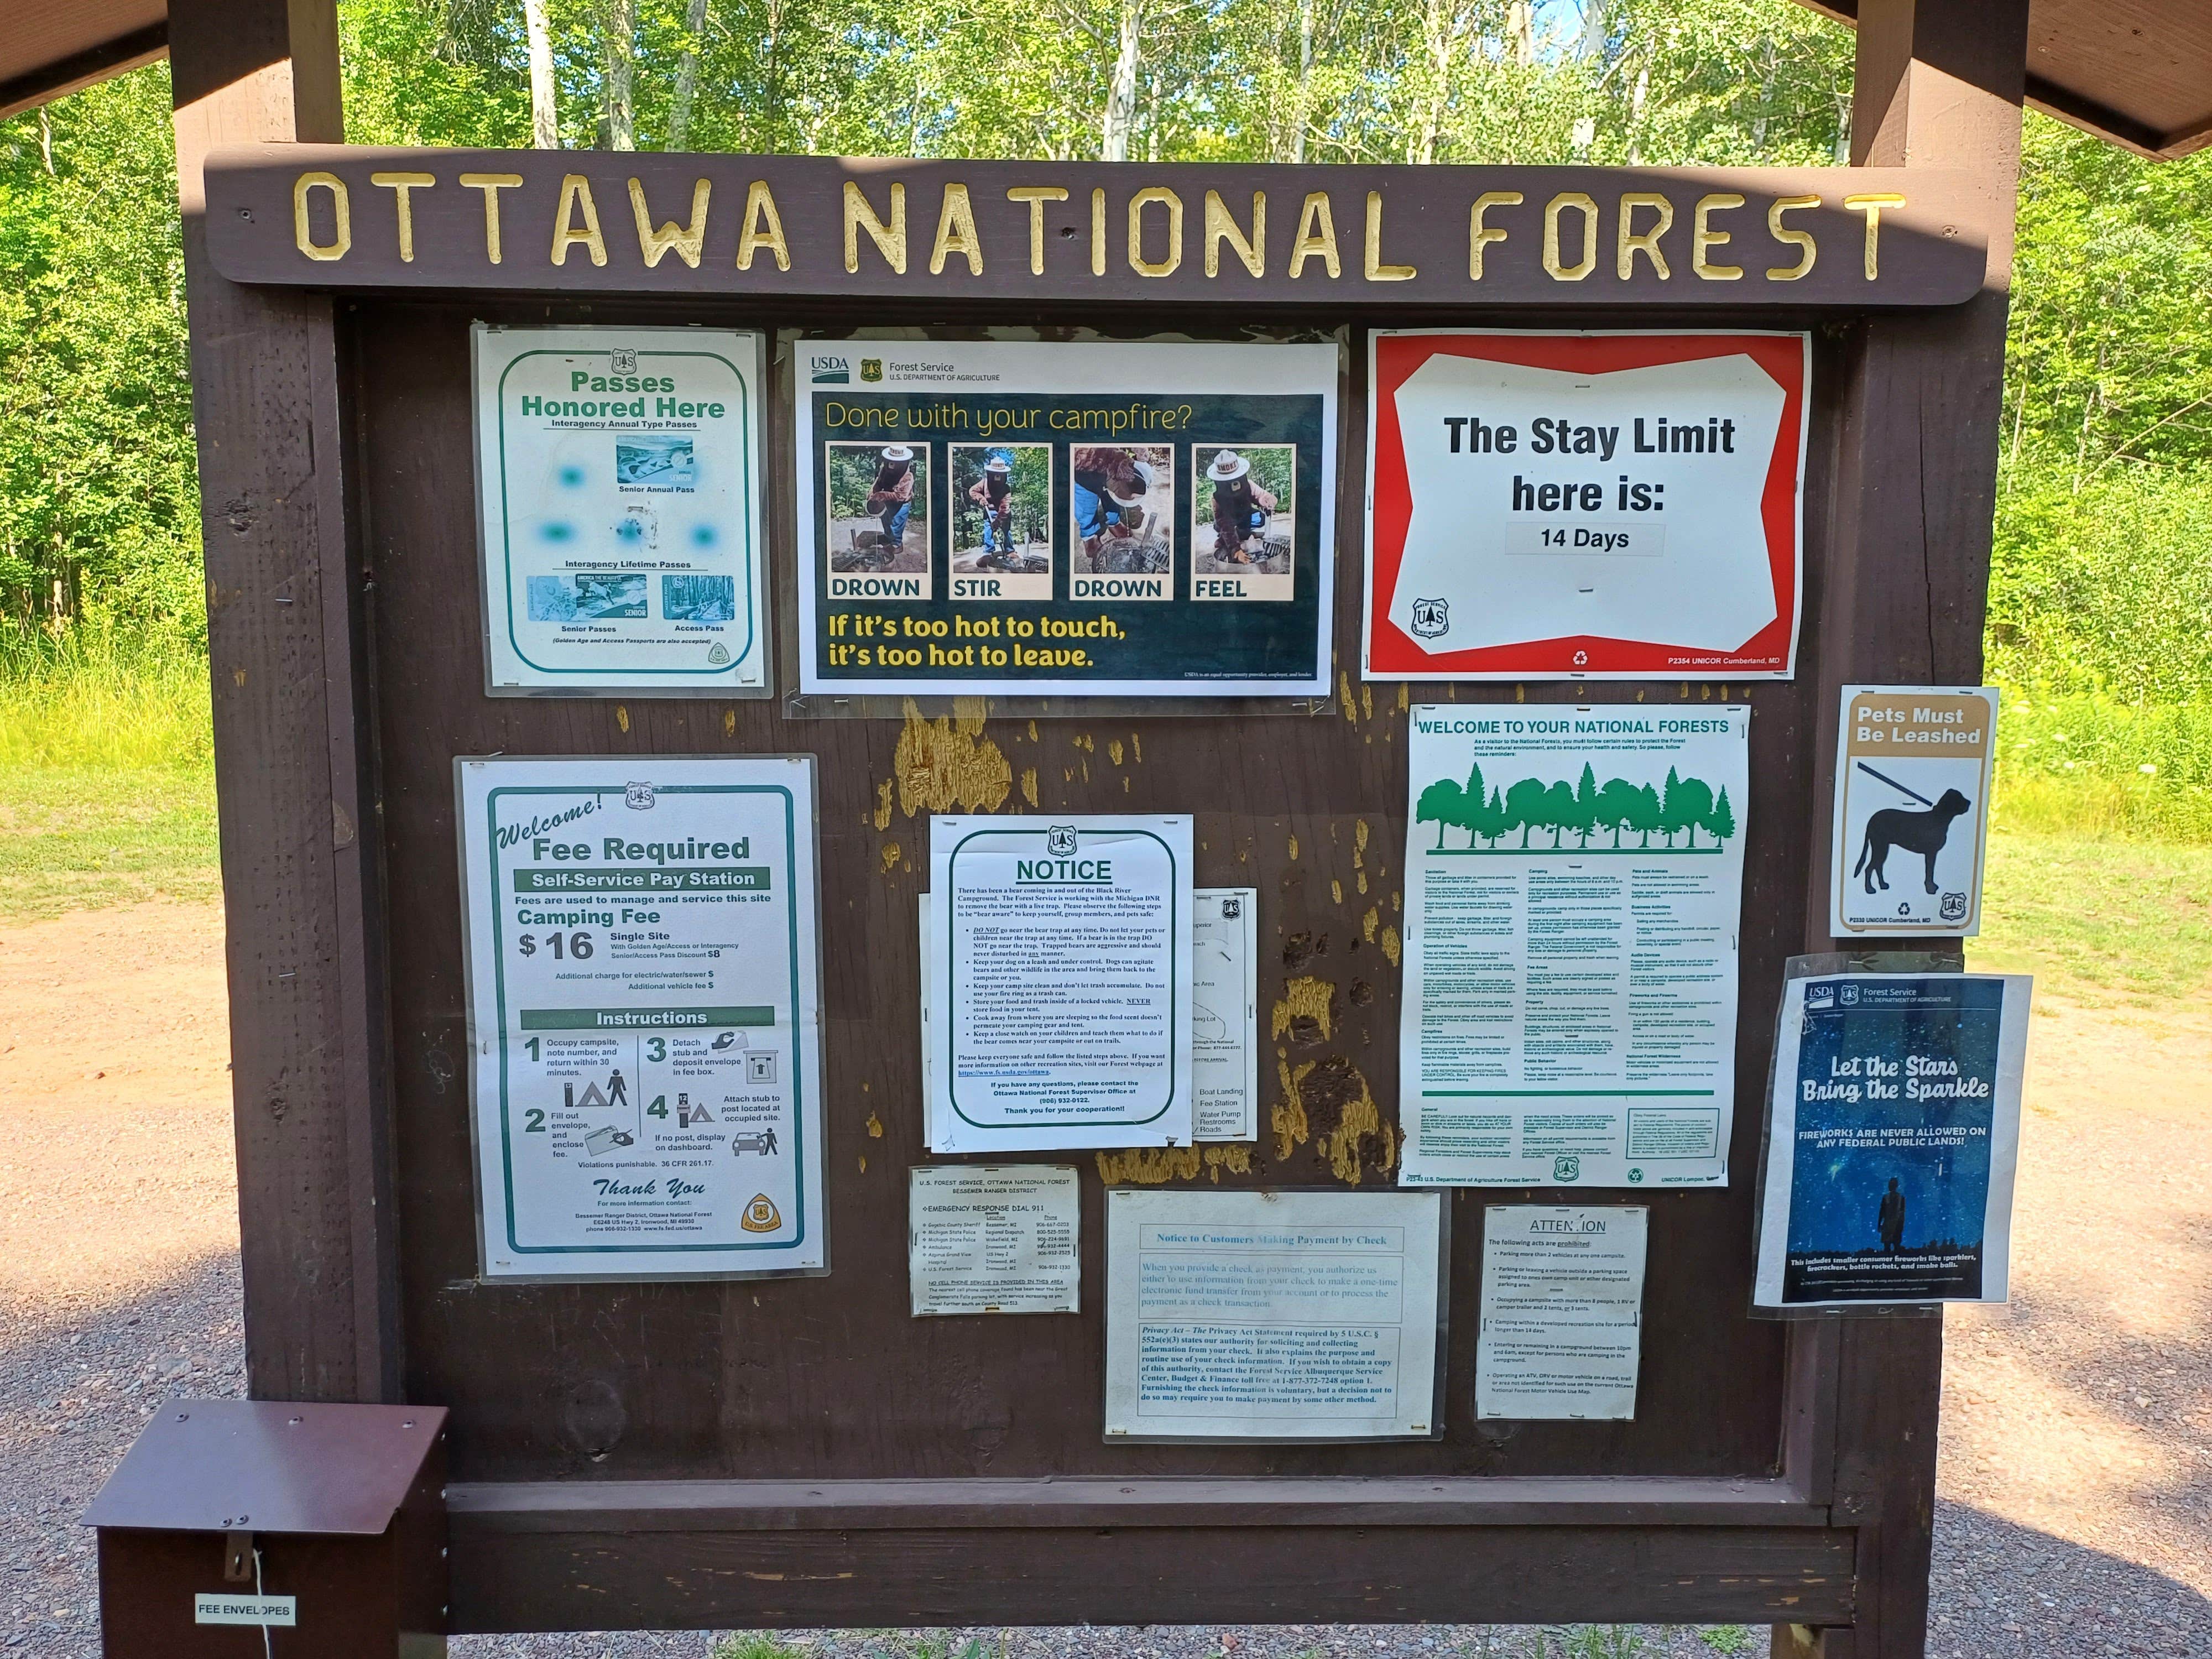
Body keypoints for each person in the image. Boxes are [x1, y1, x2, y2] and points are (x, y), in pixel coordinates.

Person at [1071, 446, 1154, 570]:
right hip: (1083, 471)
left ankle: (1114, 523)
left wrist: (1139, 447)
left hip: (1111, 464)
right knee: (1085, 507)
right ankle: (1089, 536)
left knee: (1112, 498)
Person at [1206, 450, 1278, 563]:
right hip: (1230, 522)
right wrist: (1235, 549)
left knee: (1260, 518)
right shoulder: (1217, 498)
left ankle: (1242, 533)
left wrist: (1268, 500)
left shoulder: (1248, 485)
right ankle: (1231, 538)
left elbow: (1262, 495)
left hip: (1246, 516)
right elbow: (1225, 524)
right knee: (1219, 526)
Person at [866, 445, 916, 556]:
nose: (892, 464)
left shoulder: (907, 476)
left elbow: (901, 496)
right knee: (886, 521)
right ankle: (888, 538)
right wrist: (873, 492)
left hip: (901, 504)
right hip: (886, 501)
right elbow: (879, 482)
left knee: (896, 524)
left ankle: (896, 545)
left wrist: (881, 495)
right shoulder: (885, 469)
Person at [967, 450, 1015, 563]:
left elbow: (1005, 507)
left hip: (1003, 514)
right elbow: (972, 491)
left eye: (1000, 475)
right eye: (995, 474)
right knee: (988, 531)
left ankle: (1010, 551)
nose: (997, 477)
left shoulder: (1006, 488)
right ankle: (988, 552)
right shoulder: (984, 483)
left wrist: (998, 522)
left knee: (1006, 531)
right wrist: (981, 498)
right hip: (989, 511)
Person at [1877, 1177, 1906, 1255]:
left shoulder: (1901, 1198)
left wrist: (1901, 1226)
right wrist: (1879, 1224)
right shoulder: (1886, 1197)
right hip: (1888, 1224)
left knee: (1896, 1246)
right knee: (1888, 1246)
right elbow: (1882, 1211)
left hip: (1896, 1224)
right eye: (1890, 1184)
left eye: (1892, 1184)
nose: (1890, 1186)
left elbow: (1902, 1213)